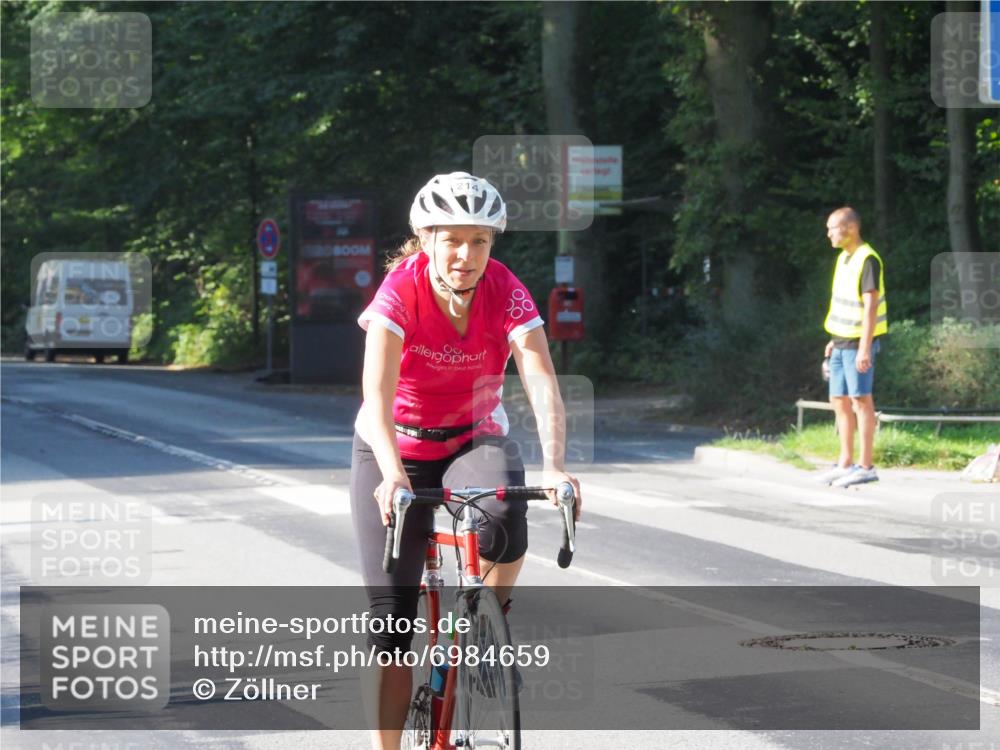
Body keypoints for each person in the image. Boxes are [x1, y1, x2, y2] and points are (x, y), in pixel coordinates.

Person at [349, 172, 583, 749]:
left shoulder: (506, 289)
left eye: (479, 241)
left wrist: (555, 464)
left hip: (471, 439)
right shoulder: (399, 293)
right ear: (425, 238)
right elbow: (374, 402)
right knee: (392, 626)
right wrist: (394, 477)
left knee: (507, 525)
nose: (466, 254)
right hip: (393, 444)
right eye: (452, 239)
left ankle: (484, 632)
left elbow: (539, 376)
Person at [816, 207, 887, 487]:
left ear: (850, 228)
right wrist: (834, 338)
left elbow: (870, 306)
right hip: (841, 340)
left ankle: (866, 466)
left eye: (833, 228)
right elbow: (844, 303)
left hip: (858, 343)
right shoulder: (844, 259)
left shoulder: (867, 259)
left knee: (861, 400)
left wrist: (865, 348)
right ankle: (845, 463)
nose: (829, 234)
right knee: (839, 401)